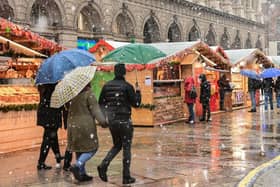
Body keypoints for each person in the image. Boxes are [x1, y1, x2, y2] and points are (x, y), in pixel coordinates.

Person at [97, 63, 141, 185]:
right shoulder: (127, 86)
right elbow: (136, 104)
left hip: (112, 121)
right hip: (125, 120)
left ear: (114, 72)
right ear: (124, 73)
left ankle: (104, 164)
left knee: (117, 145)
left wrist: (104, 117)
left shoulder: (106, 86)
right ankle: (126, 176)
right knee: (126, 147)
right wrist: (138, 92)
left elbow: (100, 103)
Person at [67, 83, 107, 182]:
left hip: (73, 125)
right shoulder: (88, 94)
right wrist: (103, 122)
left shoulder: (72, 95)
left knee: (79, 149)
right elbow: (96, 110)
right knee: (92, 148)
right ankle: (78, 165)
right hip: (85, 126)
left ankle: (82, 174)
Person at [37, 84, 64, 170]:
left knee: (52, 136)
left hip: (46, 113)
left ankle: (58, 156)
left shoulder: (43, 85)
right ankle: (41, 162)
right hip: (52, 113)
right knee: (48, 138)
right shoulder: (53, 87)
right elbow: (56, 100)